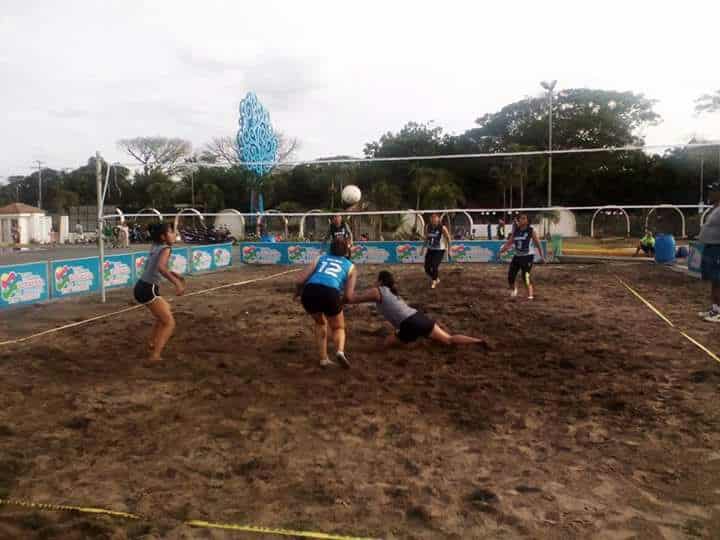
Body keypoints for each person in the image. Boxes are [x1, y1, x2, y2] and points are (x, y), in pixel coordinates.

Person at [347, 270, 486, 348]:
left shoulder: (377, 291)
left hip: (409, 324)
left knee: (384, 344)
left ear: (381, 281)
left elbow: (353, 299)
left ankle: (410, 340)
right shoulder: (393, 292)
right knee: (448, 339)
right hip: (418, 317)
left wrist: (343, 295)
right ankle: (477, 341)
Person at [295, 238, 358, 368]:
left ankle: (323, 359)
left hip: (309, 292)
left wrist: (297, 292)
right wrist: (340, 303)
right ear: (347, 251)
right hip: (330, 293)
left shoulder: (321, 258)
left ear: (330, 248)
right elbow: (348, 296)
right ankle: (340, 352)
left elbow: (300, 280)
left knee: (320, 323)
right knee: (338, 327)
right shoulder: (351, 266)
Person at [133, 223, 186, 363]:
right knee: (169, 323)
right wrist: (177, 283)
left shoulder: (156, 245)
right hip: (147, 288)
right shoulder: (166, 248)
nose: (174, 234)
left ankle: (152, 342)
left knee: (165, 312)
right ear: (163, 237)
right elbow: (161, 268)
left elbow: (157, 267)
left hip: (142, 286)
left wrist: (175, 275)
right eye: (171, 232)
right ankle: (155, 355)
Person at [499, 213, 545, 300]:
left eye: (524, 218)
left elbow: (538, 244)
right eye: (520, 218)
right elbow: (510, 242)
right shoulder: (516, 231)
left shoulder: (531, 230)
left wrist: (542, 256)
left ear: (527, 221)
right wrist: (502, 250)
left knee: (526, 276)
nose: (522, 220)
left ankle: (530, 295)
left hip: (527, 256)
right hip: (517, 256)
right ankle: (513, 290)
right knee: (511, 276)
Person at [698, 181, 720, 322]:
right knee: (714, 279)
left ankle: (719, 312)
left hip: (718, 248)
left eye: (713, 191)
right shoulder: (715, 208)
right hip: (711, 247)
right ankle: (715, 309)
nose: (710, 194)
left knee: (719, 280)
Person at [421, 213, 451, 289]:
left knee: (434, 266)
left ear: (438, 219)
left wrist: (449, 251)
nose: (433, 220)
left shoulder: (442, 228)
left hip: (439, 250)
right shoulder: (428, 227)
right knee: (426, 268)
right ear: (430, 219)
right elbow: (426, 238)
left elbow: (449, 239)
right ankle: (436, 278)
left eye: (435, 218)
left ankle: (434, 281)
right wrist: (422, 248)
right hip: (430, 249)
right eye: (432, 218)